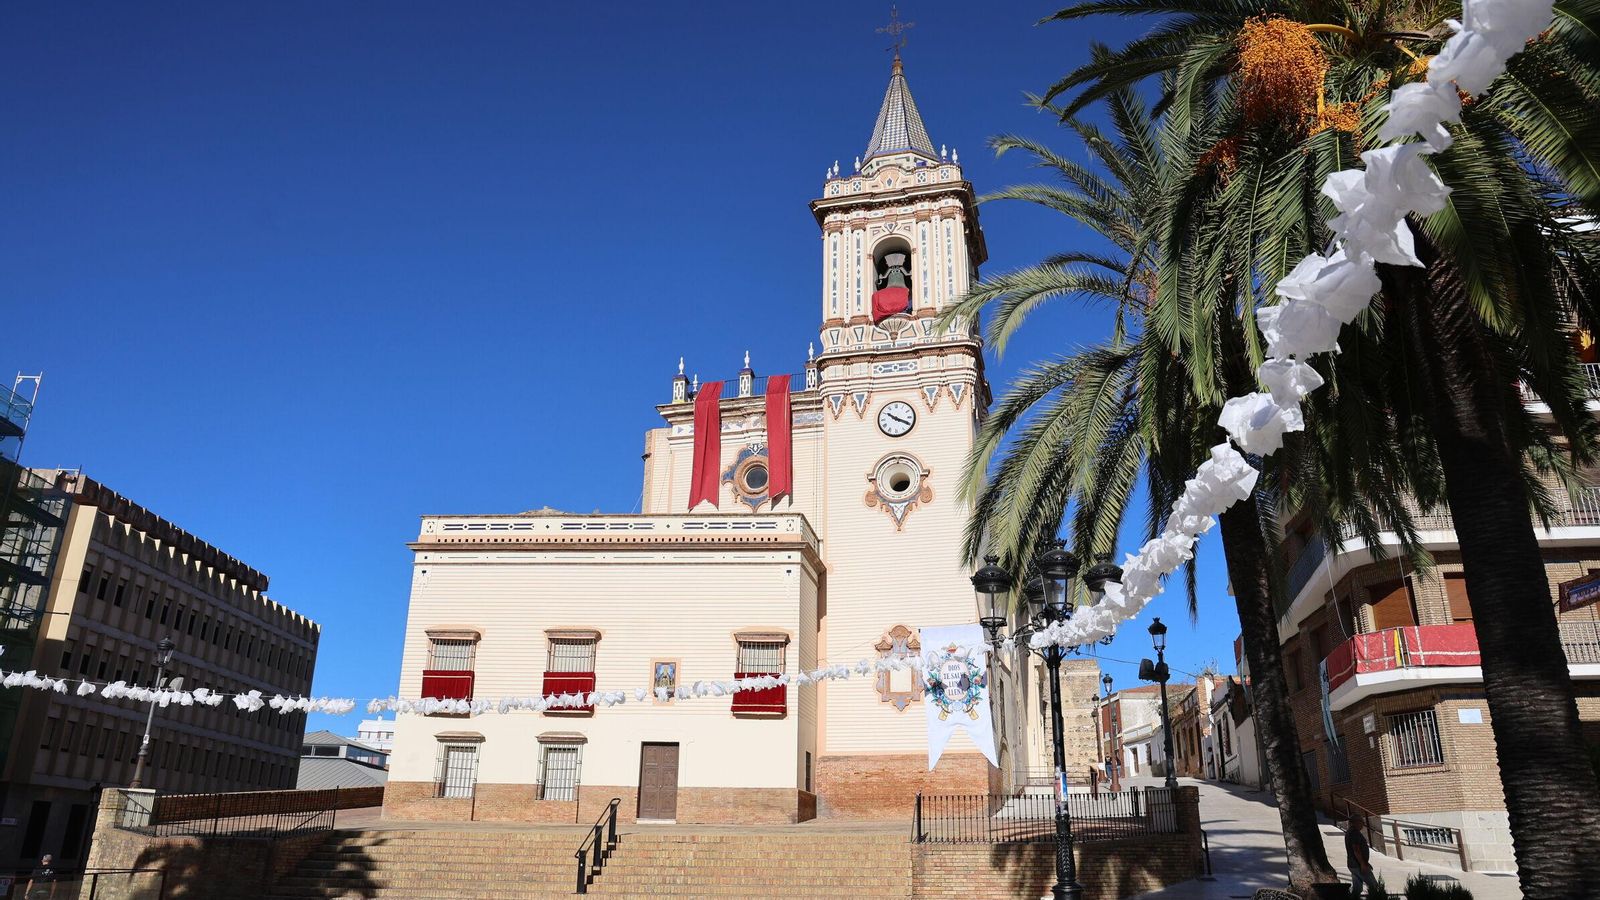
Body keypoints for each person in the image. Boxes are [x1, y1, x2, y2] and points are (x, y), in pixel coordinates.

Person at [1344, 815, 1383, 898]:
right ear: (1356, 822)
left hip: (1353, 864)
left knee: (1357, 888)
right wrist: (1363, 864)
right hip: (1358, 865)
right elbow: (1356, 849)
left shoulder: (1350, 832)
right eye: (1361, 822)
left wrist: (1365, 862)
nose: (1363, 824)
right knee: (1374, 886)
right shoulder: (1354, 833)